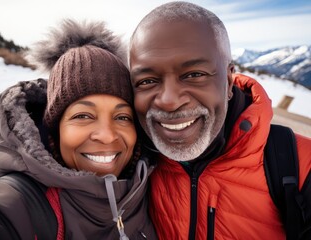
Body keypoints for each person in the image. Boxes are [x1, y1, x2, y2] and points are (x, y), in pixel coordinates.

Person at [0, 19, 157, 240]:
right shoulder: (23, 201)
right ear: (55, 128)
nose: (107, 135)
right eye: (83, 116)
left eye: (122, 116)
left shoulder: (152, 183)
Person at [128, 1, 311, 240]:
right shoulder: (133, 161)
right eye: (147, 81)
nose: (169, 101)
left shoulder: (300, 165)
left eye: (194, 75)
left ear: (229, 81)